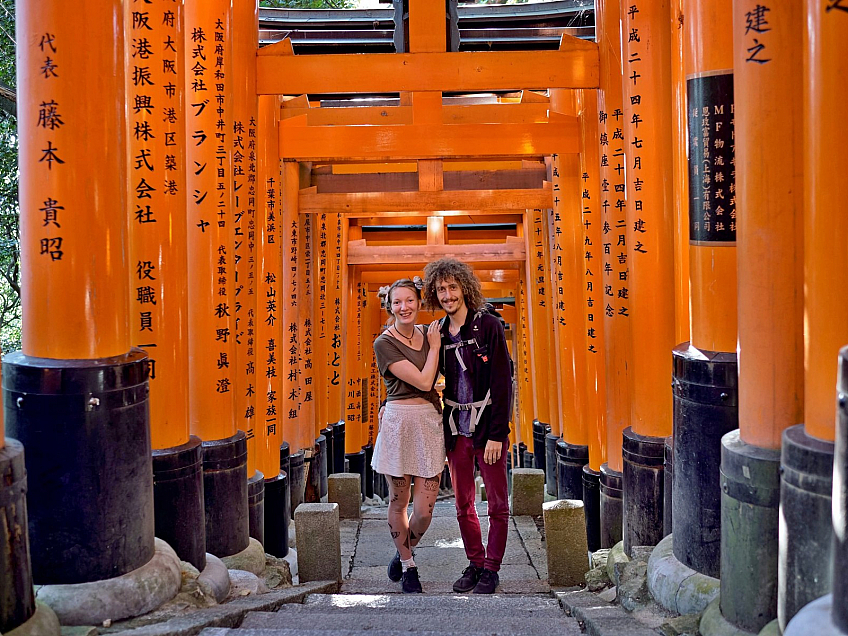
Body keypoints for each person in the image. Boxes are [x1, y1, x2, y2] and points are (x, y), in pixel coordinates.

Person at [422, 258, 513, 595]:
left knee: (498, 503)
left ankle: (492, 568)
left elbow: (503, 382)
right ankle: (475, 562)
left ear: (464, 288)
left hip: (487, 428)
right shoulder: (438, 332)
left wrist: (497, 434)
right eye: (441, 289)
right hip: (455, 428)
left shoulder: (488, 325)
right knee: (463, 502)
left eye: (452, 287)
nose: (447, 295)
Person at [371, 277, 446, 594]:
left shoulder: (429, 334)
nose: (404, 307)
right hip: (400, 421)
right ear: (390, 305)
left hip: (428, 421)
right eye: (397, 302)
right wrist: (437, 348)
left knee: (425, 511)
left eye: (410, 300)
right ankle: (409, 564)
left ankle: (402, 552)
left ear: (419, 302)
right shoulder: (384, 343)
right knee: (399, 500)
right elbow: (424, 380)